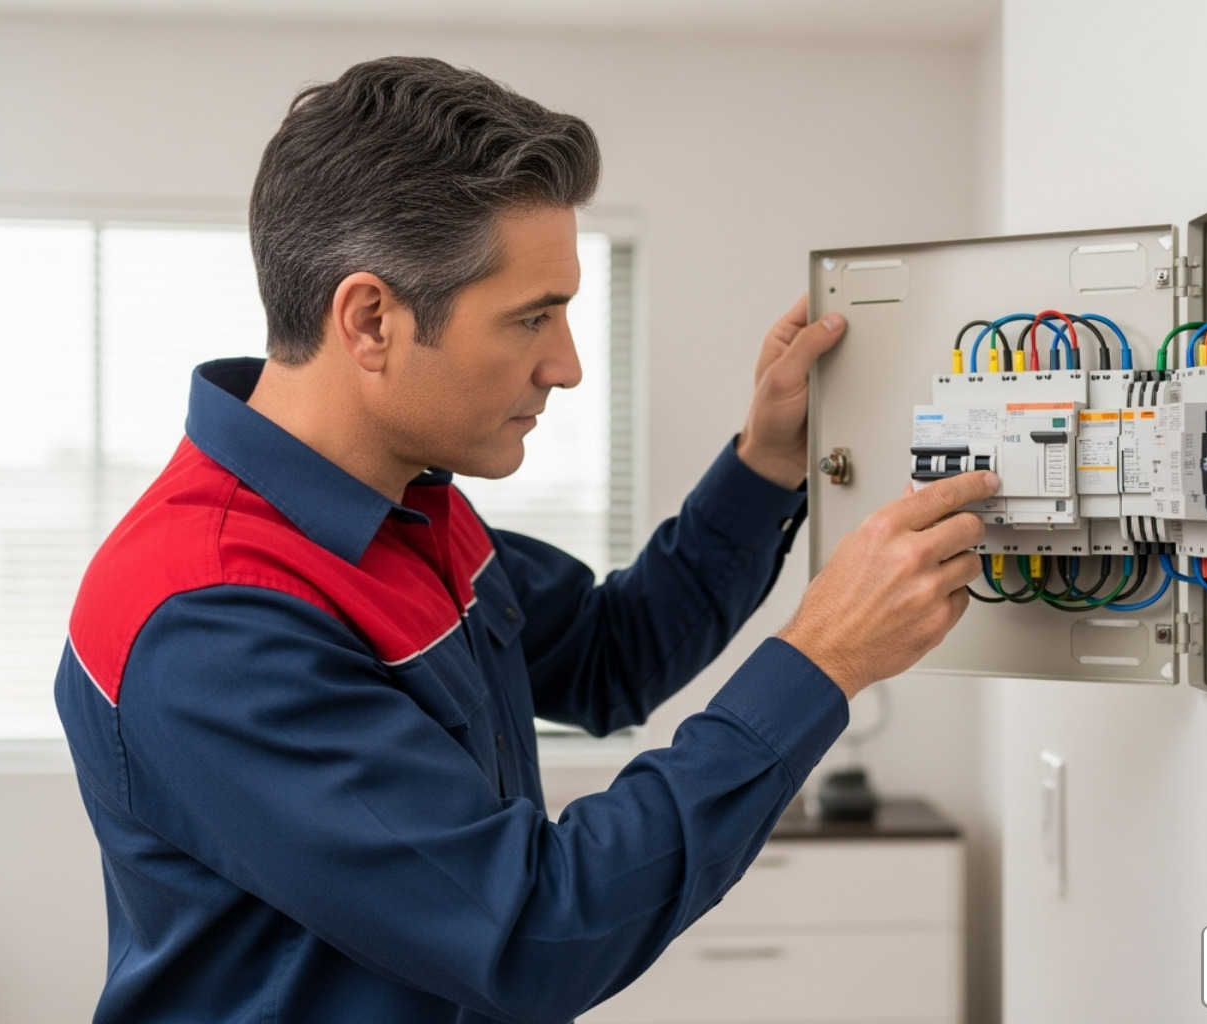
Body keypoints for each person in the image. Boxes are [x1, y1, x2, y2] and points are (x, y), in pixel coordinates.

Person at [54, 56, 996, 1024]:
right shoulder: (212, 617)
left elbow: (609, 657)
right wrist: (823, 658)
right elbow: (533, 929)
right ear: (371, 318)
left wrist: (767, 462)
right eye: (531, 317)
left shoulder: (409, 508)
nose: (568, 364)